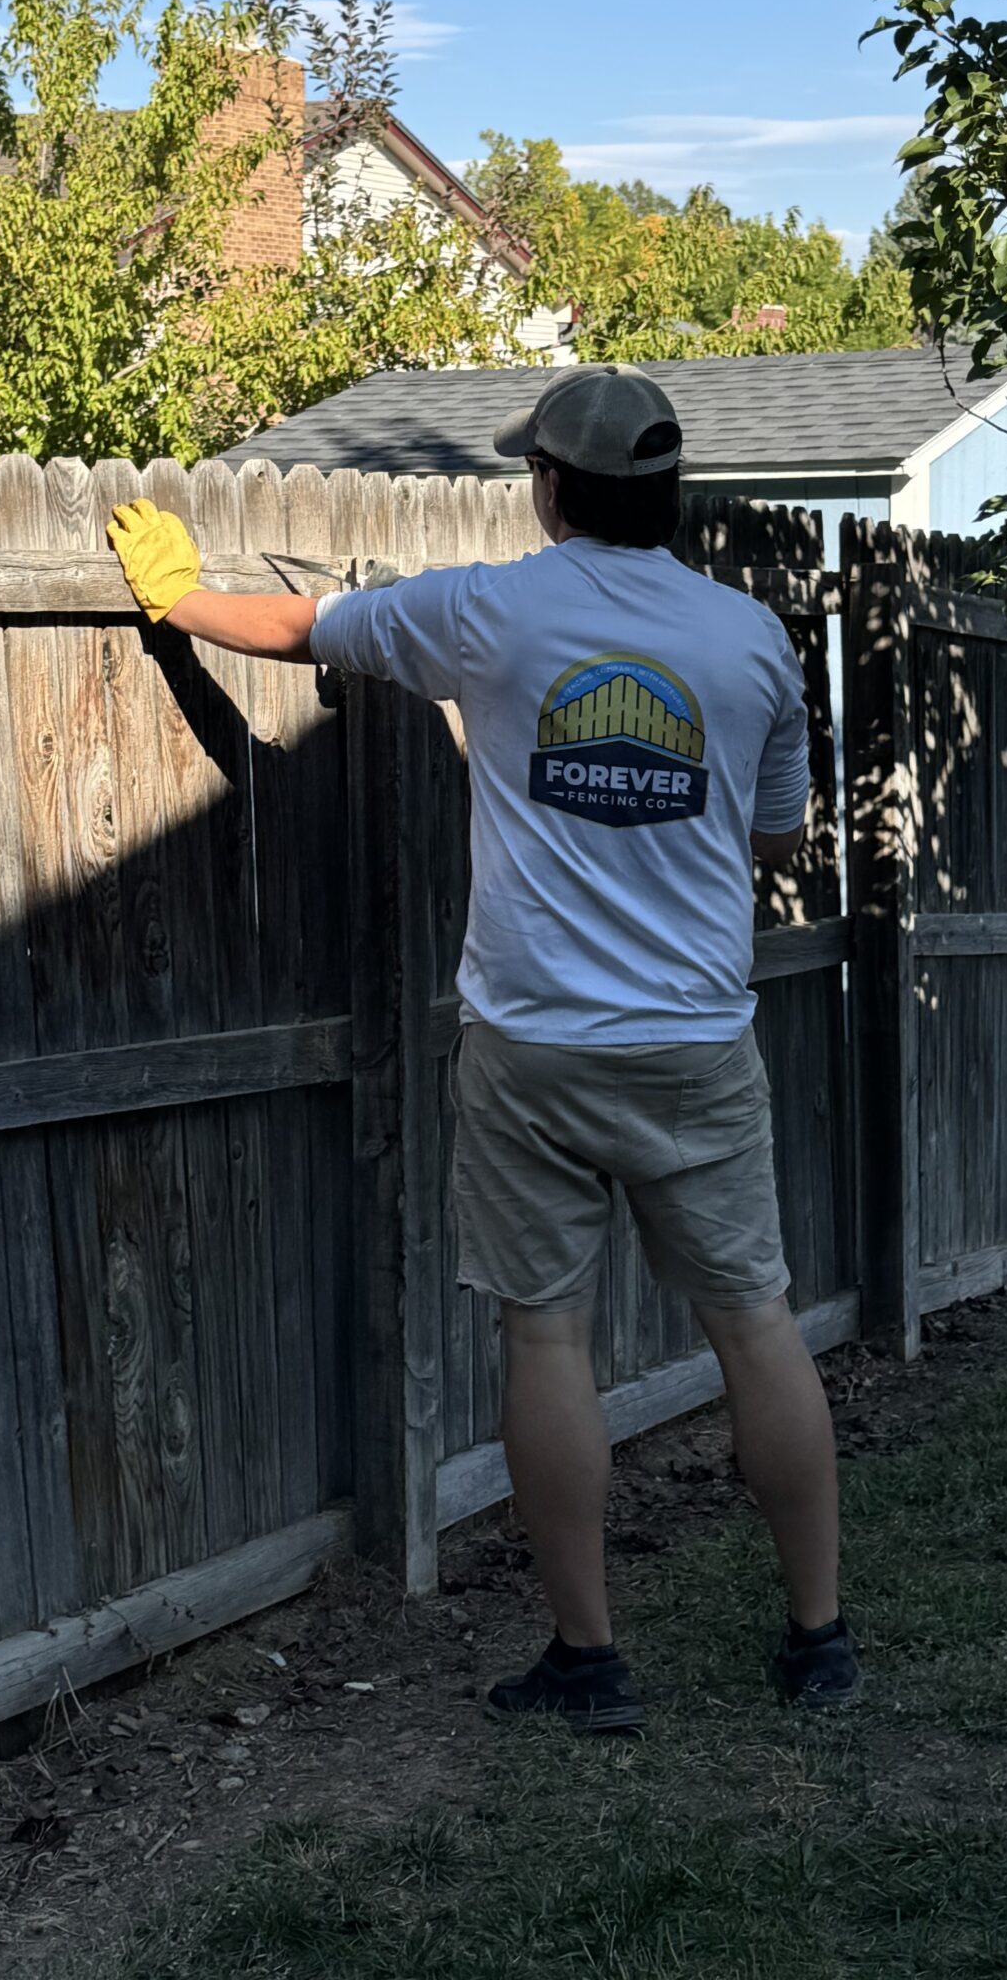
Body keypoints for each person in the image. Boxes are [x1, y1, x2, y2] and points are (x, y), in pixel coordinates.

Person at [107, 364, 858, 1731]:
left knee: (548, 1336)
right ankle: (818, 1638)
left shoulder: (492, 609)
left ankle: (590, 1661)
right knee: (756, 1322)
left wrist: (177, 598)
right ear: (671, 498)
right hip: (697, 1044)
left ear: (554, 487)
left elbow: (296, 627)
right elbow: (777, 837)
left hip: (534, 1051)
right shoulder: (752, 643)